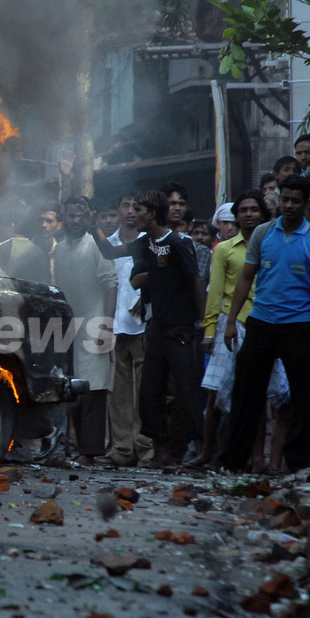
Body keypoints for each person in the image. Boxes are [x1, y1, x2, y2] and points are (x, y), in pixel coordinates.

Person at [220, 175, 310, 473]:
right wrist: (231, 321)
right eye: (285, 200)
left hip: (299, 325)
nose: (289, 205)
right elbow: (246, 278)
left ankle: (297, 463)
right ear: (279, 200)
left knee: (303, 397)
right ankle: (233, 461)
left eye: (296, 201)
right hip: (261, 323)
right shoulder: (263, 234)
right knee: (245, 394)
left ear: (305, 202)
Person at [194, 190, 289, 470]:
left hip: (264, 322)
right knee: (216, 391)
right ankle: (208, 452)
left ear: (263, 214)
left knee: (257, 393)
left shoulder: (273, 245)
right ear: (235, 216)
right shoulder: (223, 249)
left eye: (254, 210)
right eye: (243, 210)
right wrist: (210, 330)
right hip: (230, 322)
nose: (248, 214)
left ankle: (256, 457)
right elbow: (215, 293)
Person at [128, 190, 206, 467]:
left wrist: (205, 323)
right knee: (151, 391)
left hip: (181, 327)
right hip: (156, 326)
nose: (132, 214)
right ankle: (161, 452)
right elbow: (135, 280)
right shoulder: (145, 246)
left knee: (187, 390)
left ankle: (202, 449)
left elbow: (196, 281)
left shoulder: (179, 243)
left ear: (151, 213)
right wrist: (161, 272)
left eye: (138, 209)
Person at [52, 195, 117, 466]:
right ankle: (79, 447)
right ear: (62, 218)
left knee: (94, 387)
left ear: (90, 216)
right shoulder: (59, 249)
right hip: (70, 326)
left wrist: (106, 325)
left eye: (81, 215)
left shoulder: (96, 246)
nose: (76, 221)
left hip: (95, 322)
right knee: (74, 386)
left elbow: (111, 284)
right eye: (71, 215)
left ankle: (91, 451)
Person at [97, 192, 154, 467]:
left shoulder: (150, 242)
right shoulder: (107, 245)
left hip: (143, 325)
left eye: (135, 206)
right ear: (117, 210)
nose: (130, 211)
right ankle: (121, 448)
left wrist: (146, 298)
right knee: (117, 392)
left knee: (144, 390)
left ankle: (145, 448)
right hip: (115, 325)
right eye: (125, 205)